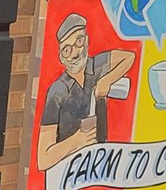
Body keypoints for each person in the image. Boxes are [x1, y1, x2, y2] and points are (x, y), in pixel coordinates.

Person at [37, 12, 135, 171]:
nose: (75, 53)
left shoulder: (95, 66)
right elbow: (43, 159)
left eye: (79, 41)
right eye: (67, 50)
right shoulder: (57, 92)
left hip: (97, 163)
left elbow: (128, 58)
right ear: (61, 57)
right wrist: (76, 141)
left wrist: (106, 80)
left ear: (87, 41)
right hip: (67, 171)